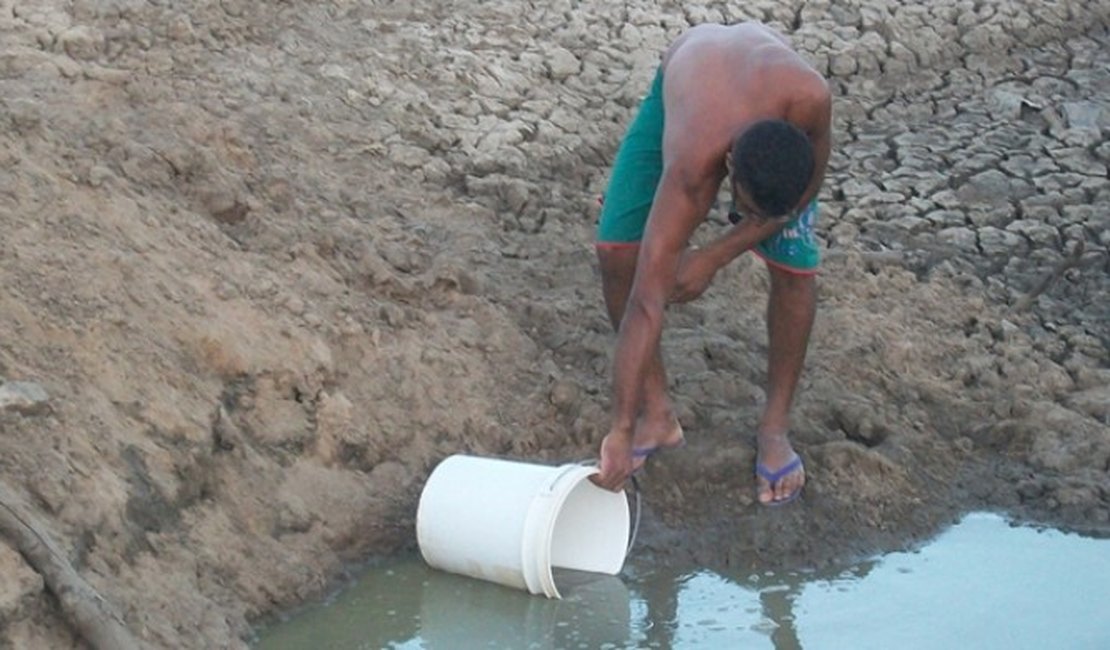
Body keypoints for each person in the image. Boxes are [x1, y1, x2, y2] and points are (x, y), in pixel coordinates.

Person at [590, 22, 831, 506]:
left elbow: (803, 195)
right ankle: (654, 417)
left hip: (754, 80)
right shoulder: (692, 162)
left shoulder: (812, 100)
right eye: (743, 205)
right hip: (687, 77)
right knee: (618, 252)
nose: (746, 217)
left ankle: (775, 428)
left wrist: (714, 255)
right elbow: (647, 302)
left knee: (796, 272)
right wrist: (619, 426)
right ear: (728, 169)